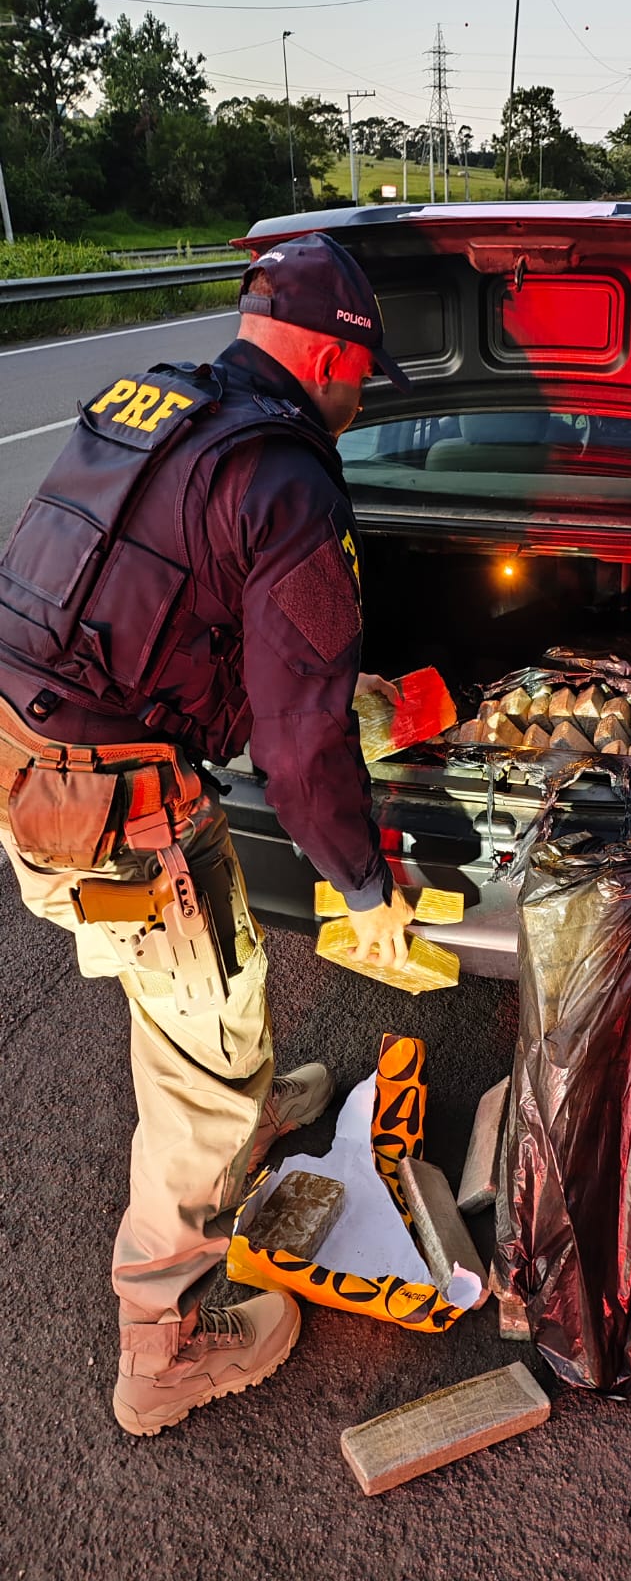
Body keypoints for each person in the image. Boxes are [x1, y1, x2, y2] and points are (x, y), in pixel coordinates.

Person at [0, 233, 414, 1436]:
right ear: (334, 356)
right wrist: (361, 879)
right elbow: (297, 746)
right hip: (116, 800)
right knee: (198, 1056)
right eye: (357, 377)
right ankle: (164, 1341)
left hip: (38, 749)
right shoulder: (288, 478)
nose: (350, 403)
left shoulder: (166, 401)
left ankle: (249, 1099)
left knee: (207, 965)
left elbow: (131, 602)